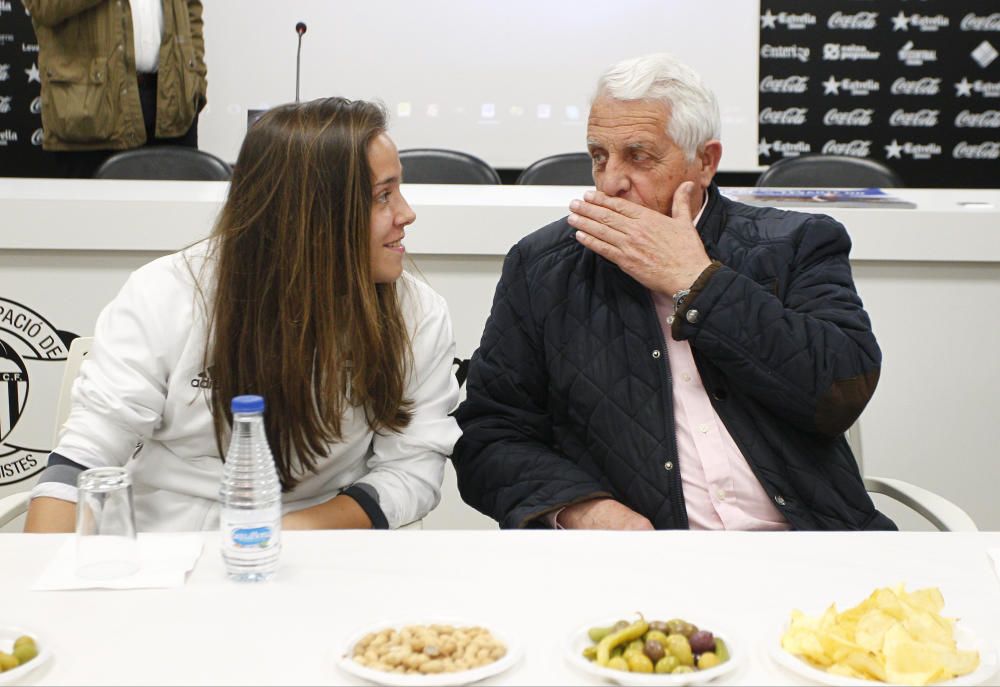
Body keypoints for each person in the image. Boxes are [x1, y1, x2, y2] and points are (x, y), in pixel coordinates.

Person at [452, 53, 893, 531]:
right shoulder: (543, 267)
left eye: (638, 156)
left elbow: (838, 393)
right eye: (599, 156)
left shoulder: (796, 243)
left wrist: (698, 283)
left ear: (705, 162)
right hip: (642, 565)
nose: (611, 182)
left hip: (807, 546)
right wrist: (583, 509)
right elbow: (490, 436)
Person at [25, 97, 461, 532]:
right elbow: (84, 458)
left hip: (325, 552)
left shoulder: (417, 316)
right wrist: (40, 582)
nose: (407, 213)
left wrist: (274, 538)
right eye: (383, 196)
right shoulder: (167, 294)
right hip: (168, 554)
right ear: (311, 216)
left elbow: (410, 471)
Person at [24, 0, 208, 178]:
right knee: (95, 209)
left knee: (175, 208)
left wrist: (194, 78)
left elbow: (191, 7)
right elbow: (42, 6)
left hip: (172, 103)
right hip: (91, 112)